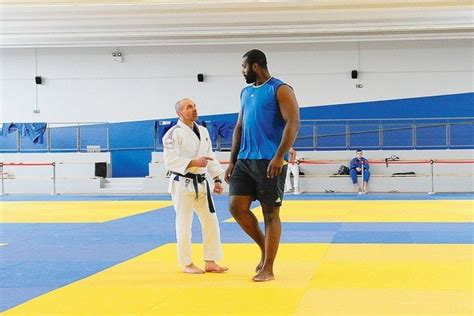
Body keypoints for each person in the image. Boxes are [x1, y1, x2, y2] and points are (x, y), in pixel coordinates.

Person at [224, 49, 300, 282]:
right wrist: (232, 160)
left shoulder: (280, 89)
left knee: (270, 213)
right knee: (236, 207)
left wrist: (280, 156)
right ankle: (264, 248)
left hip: (270, 160)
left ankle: (268, 267)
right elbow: (239, 127)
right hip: (245, 160)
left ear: (255, 66)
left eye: (244, 67)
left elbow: (293, 122)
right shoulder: (246, 92)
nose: (242, 72)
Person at [163, 98, 228, 274]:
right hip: (182, 183)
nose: (194, 109)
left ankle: (210, 261)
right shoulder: (172, 134)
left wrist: (217, 179)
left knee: (211, 222)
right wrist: (193, 162)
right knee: (184, 224)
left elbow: (209, 156)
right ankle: (187, 263)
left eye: (194, 106)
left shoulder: (204, 131)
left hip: (201, 183)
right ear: (180, 113)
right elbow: (170, 162)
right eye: (189, 107)